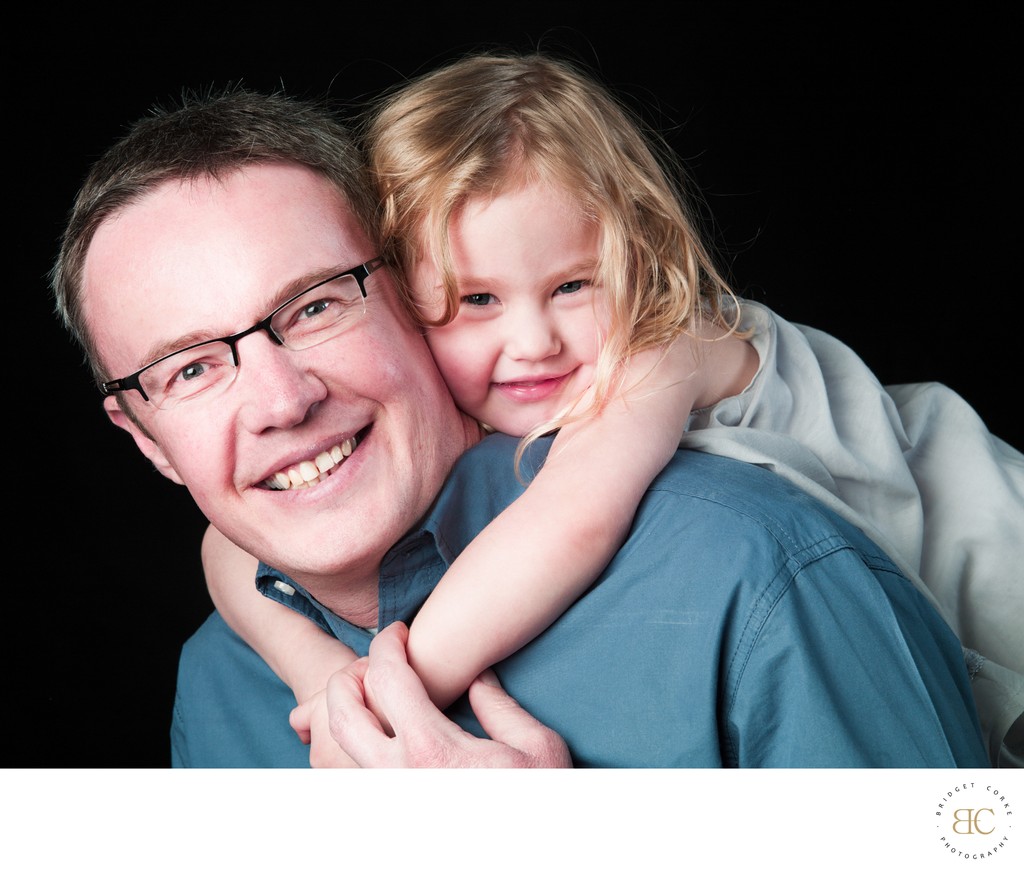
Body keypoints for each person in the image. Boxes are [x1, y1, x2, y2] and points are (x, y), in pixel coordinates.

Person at [52, 71, 993, 767]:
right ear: (146, 440)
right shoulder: (222, 681)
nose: (282, 402)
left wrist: (393, 709)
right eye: (190, 367)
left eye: (314, 307)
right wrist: (315, 679)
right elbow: (229, 554)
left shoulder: (754, 564)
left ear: (400, 300)